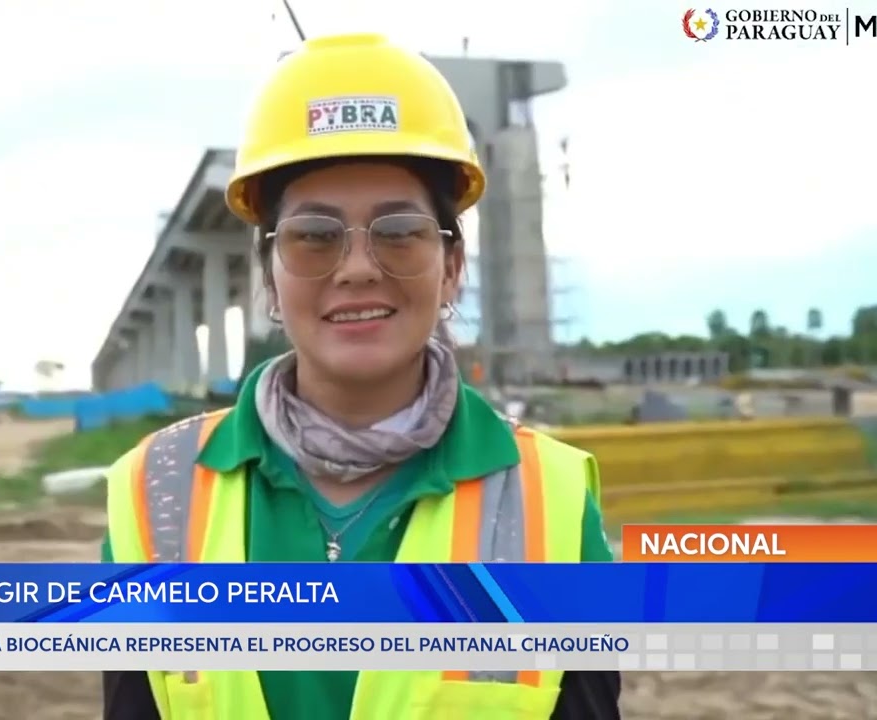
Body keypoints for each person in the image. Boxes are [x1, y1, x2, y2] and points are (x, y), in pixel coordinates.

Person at [101, 32, 621, 720]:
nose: (356, 268)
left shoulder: (548, 501)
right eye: (314, 235)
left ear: (452, 267)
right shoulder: (154, 493)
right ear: (269, 277)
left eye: (399, 230)